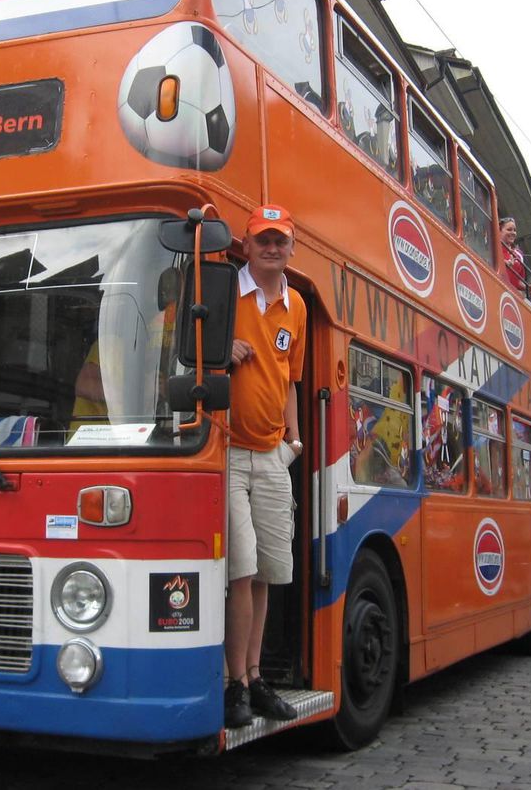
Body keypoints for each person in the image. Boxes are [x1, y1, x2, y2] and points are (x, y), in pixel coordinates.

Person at [224, 204, 306, 728]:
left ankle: (254, 677)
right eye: (263, 240)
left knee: (267, 575)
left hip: (274, 455)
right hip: (228, 452)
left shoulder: (295, 305)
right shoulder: (224, 290)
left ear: (289, 249)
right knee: (242, 570)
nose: (272, 248)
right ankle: (234, 683)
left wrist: (294, 442)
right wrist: (215, 351)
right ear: (247, 246)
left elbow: (291, 379)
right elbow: (178, 347)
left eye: (280, 241)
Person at [498, 216, 526, 293]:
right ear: (499, 231)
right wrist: (503, 263)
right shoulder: (492, 246)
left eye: (514, 230)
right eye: (509, 230)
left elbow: (517, 281)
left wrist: (527, 287)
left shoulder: (519, 254)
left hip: (509, 296)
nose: (513, 233)